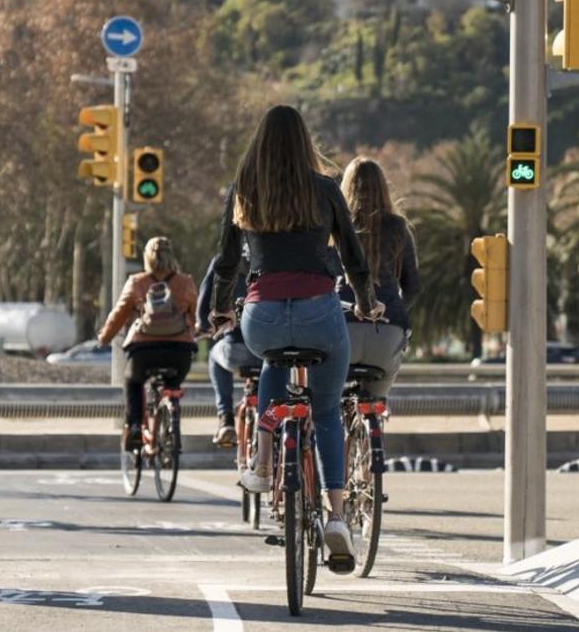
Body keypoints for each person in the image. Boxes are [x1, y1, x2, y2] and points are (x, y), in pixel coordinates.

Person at [209, 105, 383, 574]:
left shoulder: (244, 189)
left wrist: (221, 307)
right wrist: (366, 301)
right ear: (305, 141)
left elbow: (226, 261)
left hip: (262, 315)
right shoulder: (325, 189)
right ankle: (337, 517)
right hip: (319, 313)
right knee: (325, 412)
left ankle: (264, 461)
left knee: (272, 362)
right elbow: (354, 254)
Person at [98, 236, 198, 452]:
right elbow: (196, 317)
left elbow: (118, 315)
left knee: (132, 381)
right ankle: (170, 417)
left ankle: (135, 426)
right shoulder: (185, 282)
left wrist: (104, 338)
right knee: (173, 385)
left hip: (143, 351)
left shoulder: (137, 282)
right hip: (180, 352)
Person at [339, 157, 420, 398]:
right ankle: (373, 420)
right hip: (388, 329)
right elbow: (413, 287)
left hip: (342, 328)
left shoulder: (337, 228)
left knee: (325, 404)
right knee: (376, 399)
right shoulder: (399, 228)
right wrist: (394, 308)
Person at [196, 255, 260, 445]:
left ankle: (225, 418)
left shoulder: (223, 260)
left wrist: (202, 324)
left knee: (215, 356)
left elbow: (205, 297)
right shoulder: (268, 252)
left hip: (236, 347)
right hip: (267, 349)